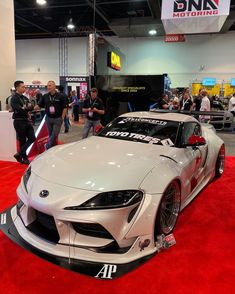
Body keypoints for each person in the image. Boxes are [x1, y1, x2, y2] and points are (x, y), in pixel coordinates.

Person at [35, 80, 67, 149]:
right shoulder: (45, 96)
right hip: (48, 118)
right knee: (50, 135)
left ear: (54, 87)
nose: (48, 87)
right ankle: (52, 149)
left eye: (50, 85)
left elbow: (65, 108)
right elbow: (40, 105)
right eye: (47, 86)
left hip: (58, 118)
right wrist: (33, 107)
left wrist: (62, 118)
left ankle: (47, 146)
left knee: (54, 134)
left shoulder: (61, 96)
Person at [10, 80, 36, 164]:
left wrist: (26, 108)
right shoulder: (14, 98)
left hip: (26, 121)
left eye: (24, 86)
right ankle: (24, 158)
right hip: (19, 121)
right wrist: (26, 108)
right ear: (17, 88)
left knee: (32, 138)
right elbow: (19, 109)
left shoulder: (25, 98)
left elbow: (31, 107)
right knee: (22, 140)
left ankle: (19, 154)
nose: (24, 88)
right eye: (22, 87)